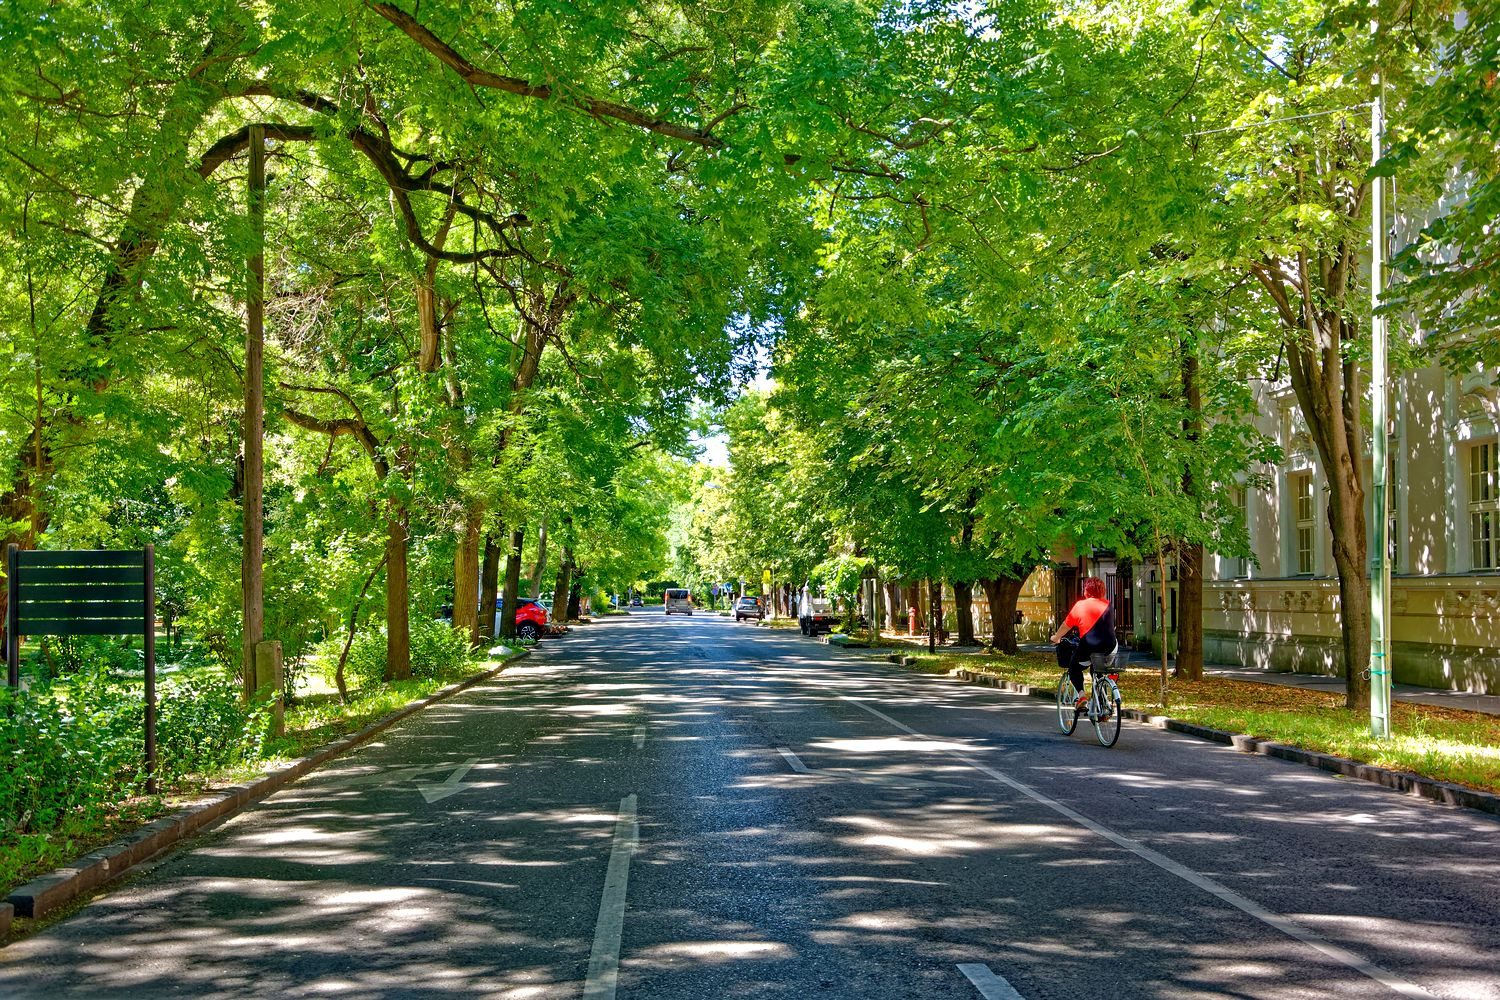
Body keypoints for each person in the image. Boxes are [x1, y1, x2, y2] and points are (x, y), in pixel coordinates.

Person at [1050, 577, 1117, 709]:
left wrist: (1056, 637)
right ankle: (1102, 703)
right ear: (1102, 590)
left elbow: (1066, 625)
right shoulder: (1108, 605)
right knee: (1098, 669)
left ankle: (1081, 696)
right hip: (1110, 646)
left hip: (1089, 645)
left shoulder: (1080, 605)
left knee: (1074, 667)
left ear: (1086, 590)